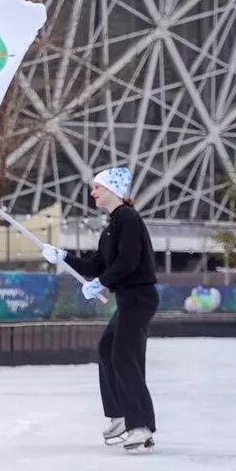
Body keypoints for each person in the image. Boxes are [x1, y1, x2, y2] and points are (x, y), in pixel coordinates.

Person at [42, 167, 159, 453]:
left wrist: (102, 283)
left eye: (98, 187)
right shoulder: (112, 225)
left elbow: (129, 261)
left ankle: (140, 426)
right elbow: (98, 264)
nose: (93, 192)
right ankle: (121, 416)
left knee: (124, 356)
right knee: (108, 349)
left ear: (112, 191)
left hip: (139, 298)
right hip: (128, 299)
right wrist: (64, 257)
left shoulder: (128, 219)